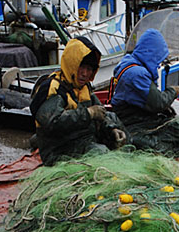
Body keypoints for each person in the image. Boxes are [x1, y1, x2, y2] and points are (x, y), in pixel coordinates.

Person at [30, 37, 127, 166]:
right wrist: (88, 114)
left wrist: (113, 129)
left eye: (89, 69)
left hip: (83, 140)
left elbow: (100, 112)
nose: (85, 74)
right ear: (72, 64)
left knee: (116, 125)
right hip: (59, 148)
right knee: (100, 153)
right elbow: (52, 123)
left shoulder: (85, 87)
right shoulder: (53, 87)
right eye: (82, 68)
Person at [110, 28, 179, 157]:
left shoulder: (128, 63)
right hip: (131, 124)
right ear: (152, 54)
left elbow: (148, 100)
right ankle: (171, 152)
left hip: (137, 119)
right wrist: (173, 91)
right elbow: (158, 103)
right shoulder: (137, 73)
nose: (159, 63)